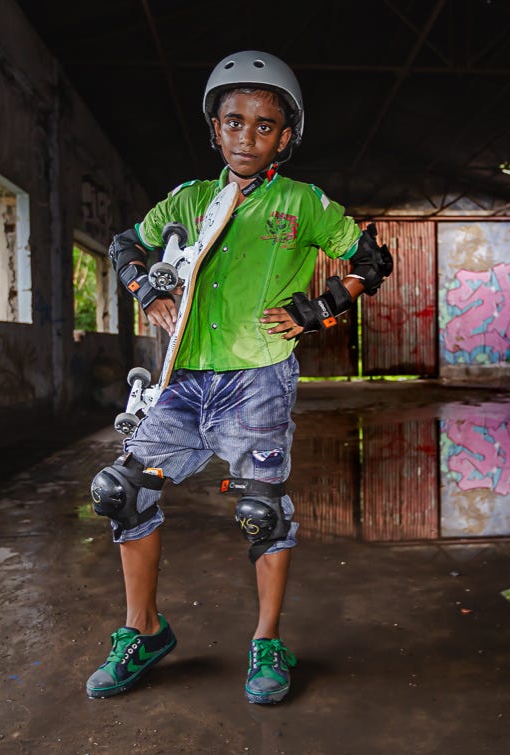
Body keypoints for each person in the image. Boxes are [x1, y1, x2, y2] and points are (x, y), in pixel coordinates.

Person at [85, 51, 394, 704]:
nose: (247, 136)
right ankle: (143, 631)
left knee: (260, 511)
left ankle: (267, 640)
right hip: (184, 380)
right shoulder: (189, 200)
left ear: (285, 136)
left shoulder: (302, 203)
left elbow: (370, 255)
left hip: (257, 379)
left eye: (264, 125)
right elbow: (123, 244)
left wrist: (320, 307)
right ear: (215, 128)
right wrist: (146, 289)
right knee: (121, 490)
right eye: (234, 121)